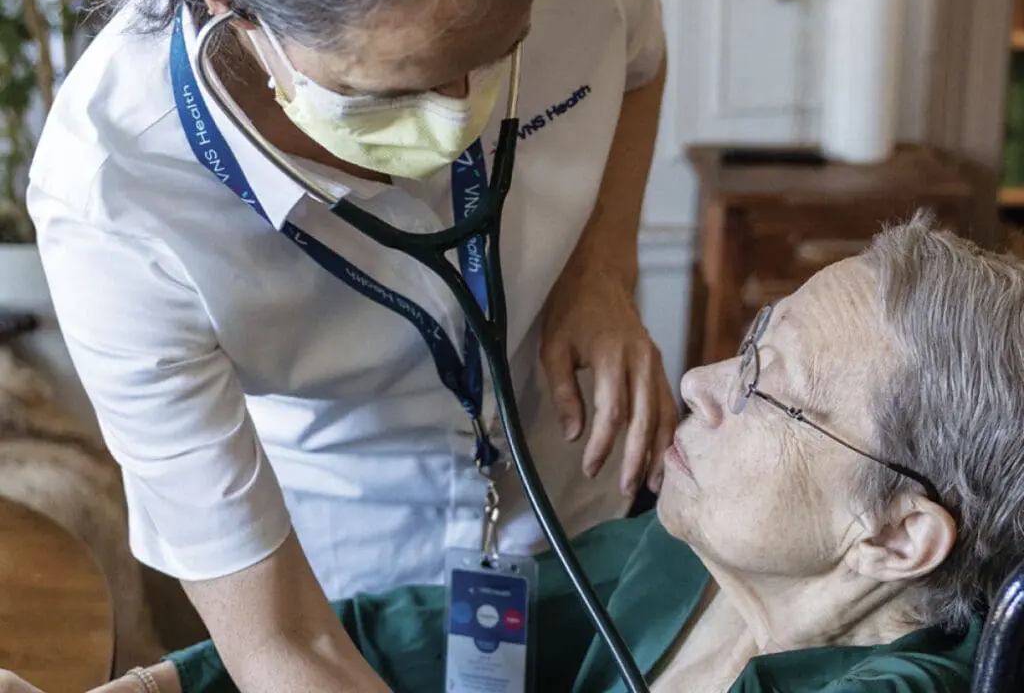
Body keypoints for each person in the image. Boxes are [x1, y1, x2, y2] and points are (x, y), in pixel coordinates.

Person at [26, 0, 675, 692]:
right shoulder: (116, 199)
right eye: (397, 88)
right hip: (348, 562)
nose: (461, 107)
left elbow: (636, 63)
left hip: (575, 481)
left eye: (498, 56)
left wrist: (603, 265)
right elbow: (285, 643)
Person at [5, 215, 1018, 693]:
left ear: (894, 533)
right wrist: (152, 691)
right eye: (745, 346)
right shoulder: (686, 558)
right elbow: (436, 630)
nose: (703, 379)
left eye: (769, 387)